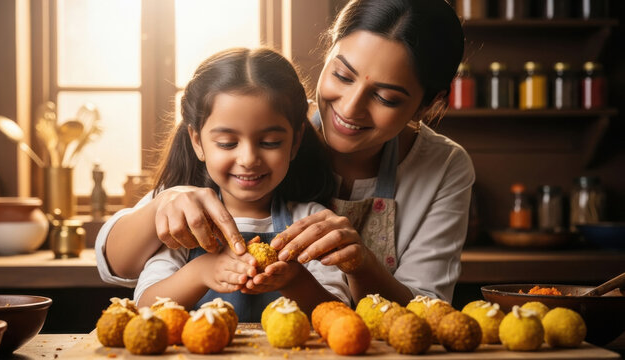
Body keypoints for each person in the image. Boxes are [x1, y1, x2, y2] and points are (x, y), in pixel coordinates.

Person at [98, 0, 474, 308]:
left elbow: (424, 312)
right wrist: (166, 202)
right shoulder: (265, 120)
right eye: (342, 76)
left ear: (431, 104)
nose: (350, 108)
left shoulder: (443, 166)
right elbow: (118, 265)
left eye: (386, 98)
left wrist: (358, 266)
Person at [95, 47, 350, 320]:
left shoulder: (310, 222)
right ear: (197, 141)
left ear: (295, 141)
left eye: (270, 143)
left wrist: (295, 281)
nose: (249, 159)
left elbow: (339, 314)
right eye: (228, 143)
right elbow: (144, 310)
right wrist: (202, 271)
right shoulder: (184, 220)